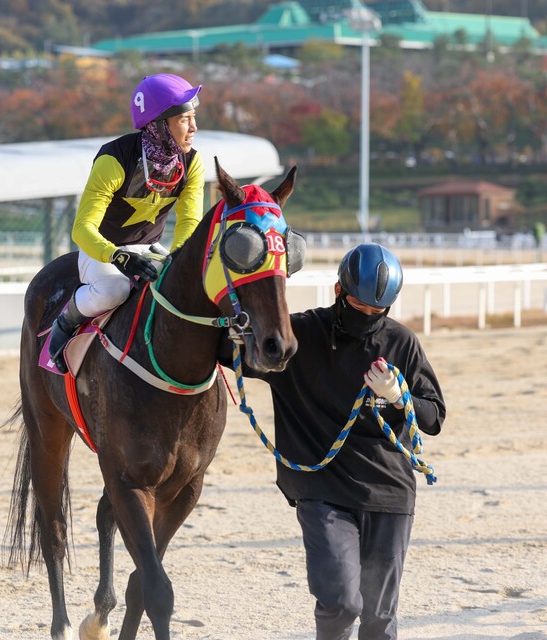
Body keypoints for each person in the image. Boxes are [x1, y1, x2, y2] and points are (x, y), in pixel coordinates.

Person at [230, 243, 445, 640]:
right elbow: (237, 355)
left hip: (390, 493)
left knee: (380, 618)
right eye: (358, 307)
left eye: (376, 312)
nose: (366, 317)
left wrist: (401, 398)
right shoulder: (301, 336)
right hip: (321, 490)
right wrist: (234, 330)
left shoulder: (401, 343)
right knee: (341, 603)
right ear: (337, 291)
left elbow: (433, 418)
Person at [46, 73, 206, 368]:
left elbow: (190, 222)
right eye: (184, 119)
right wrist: (117, 256)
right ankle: (66, 322)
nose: (194, 127)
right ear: (159, 124)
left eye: (193, 117)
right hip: (102, 252)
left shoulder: (193, 163)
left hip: (151, 249)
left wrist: (178, 259)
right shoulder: (115, 159)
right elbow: (82, 229)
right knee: (113, 291)